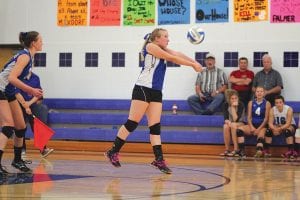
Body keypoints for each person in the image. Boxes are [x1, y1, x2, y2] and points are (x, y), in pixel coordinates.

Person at [104, 28, 202, 174]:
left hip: (156, 91)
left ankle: (159, 159)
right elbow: (173, 59)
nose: (168, 39)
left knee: (155, 127)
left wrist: (195, 61)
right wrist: (192, 65)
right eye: (166, 36)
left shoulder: (162, 48)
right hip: (143, 88)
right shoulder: (150, 47)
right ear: (156, 38)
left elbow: (177, 54)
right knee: (132, 123)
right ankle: (113, 151)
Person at [0, 31, 43, 174]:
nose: (42, 43)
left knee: (21, 127)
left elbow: (12, 84)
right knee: (8, 125)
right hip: (1, 90)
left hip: (9, 91)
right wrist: (31, 90)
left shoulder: (29, 58)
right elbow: (12, 78)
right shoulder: (24, 56)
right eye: (40, 40)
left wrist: (24, 104)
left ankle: (17, 161)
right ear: (33, 43)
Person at [15, 71, 54, 158]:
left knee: (37, 125)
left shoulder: (35, 77)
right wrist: (25, 106)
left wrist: (29, 104)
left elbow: (39, 94)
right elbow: (16, 93)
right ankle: (21, 150)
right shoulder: (16, 77)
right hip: (18, 104)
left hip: (31, 104)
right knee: (21, 127)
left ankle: (43, 149)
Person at [236, 86, 271, 158]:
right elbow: (249, 117)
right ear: (255, 93)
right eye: (257, 91)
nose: (259, 93)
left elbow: (266, 119)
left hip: (262, 125)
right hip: (252, 125)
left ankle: (259, 151)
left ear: (264, 93)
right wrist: (252, 127)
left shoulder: (267, 103)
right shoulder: (251, 103)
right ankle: (242, 151)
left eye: (261, 91)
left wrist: (258, 129)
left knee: (261, 137)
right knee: (239, 130)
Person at [265, 95, 298, 160]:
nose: (278, 104)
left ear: (283, 103)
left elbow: (288, 123)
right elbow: (270, 123)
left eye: (280, 102)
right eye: (276, 103)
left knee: (287, 131)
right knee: (268, 130)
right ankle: (266, 150)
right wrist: (274, 129)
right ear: (275, 103)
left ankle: (291, 151)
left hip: (290, 125)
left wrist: (279, 129)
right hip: (278, 125)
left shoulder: (289, 109)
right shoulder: (272, 109)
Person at [220, 89, 246, 157]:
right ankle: (227, 149)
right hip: (230, 123)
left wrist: (233, 108)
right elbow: (225, 118)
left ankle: (236, 149)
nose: (234, 100)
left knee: (233, 125)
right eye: (232, 98)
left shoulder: (241, 104)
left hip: (240, 122)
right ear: (229, 99)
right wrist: (227, 121)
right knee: (225, 126)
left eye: (236, 98)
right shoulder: (225, 105)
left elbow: (236, 119)